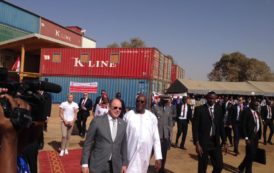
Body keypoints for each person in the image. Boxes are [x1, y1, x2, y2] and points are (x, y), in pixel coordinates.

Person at [81, 98, 127, 173]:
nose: (117, 110)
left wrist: (124, 163)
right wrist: (84, 163)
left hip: (115, 166)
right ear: (109, 107)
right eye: (115, 107)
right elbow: (88, 143)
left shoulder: (123, 124)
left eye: (120, 108)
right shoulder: (97, 121)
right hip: (98, 164)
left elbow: (124, 145)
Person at [123, 94, 162, 173]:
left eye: (142, 101)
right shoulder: (128, 116)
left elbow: (156, 138)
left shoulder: (152, 117)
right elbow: (122, 137)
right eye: (137, 101)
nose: (139, 103)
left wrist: (158, 157)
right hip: (130, 154)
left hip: (145, 155)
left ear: (146, 103)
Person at [192, 91, 227, 173]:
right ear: (207, 98)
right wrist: (197, 143)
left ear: (216, 99)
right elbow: (195, 128)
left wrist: (225, 141)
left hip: (215, 142)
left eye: (214, 99)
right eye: (210, 98)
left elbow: (221, 126)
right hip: (203, 143)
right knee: (202, 168)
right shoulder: (199, 109)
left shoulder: (219, 109)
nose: (212, 100)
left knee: (219, 166)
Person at [238, 99, 262, 173]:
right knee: (250, 154)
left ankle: (241, 166)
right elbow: (243, 125)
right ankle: (248, 171)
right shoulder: (246, 112)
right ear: (251, 104)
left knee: (252, 154)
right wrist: (246, 138)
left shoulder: (257, 112)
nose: (256, 106)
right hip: (249, 136)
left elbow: (258, 123)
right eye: (255, 105)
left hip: (256, 136)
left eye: (257, 105)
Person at [152, 96, 173, 173]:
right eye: (164, 100)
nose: (166, 102)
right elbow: (152, 122)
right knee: (153, 154)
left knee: (164, 154)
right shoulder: (155, 108)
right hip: (157, 135)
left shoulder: (168, 109)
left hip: (165, 136)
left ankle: (161, 169)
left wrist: (170, 134)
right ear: (161, 100)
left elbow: (170, 122)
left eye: (166, 100)